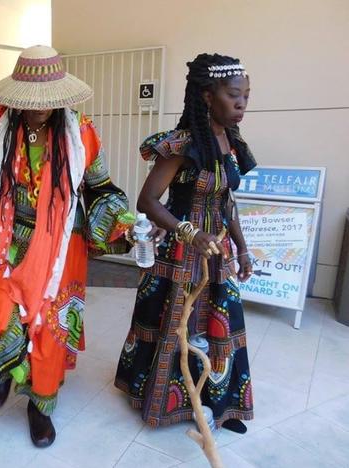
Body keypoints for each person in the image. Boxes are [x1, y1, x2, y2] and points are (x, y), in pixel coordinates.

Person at [0, 0, 163, 448]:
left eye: (48, 102)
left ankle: (41, 408)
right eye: (32, 101)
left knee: (47, 328)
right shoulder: (2, 118)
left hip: (60, 247)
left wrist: (127, 224)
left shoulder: (82, 133)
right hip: (6, 239)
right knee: (0, 315)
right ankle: (2, 370)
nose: (39, 109)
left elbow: (101, 189)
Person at [115, 53, 256, 434]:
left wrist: (241, 248)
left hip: (218, 253)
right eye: (233, 95)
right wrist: (190, 233)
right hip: (179, 255)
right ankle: (166, 403)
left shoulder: (232, 142)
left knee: (217, 328)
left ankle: (217, 403)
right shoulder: (181, 144)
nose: (241, 103)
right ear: (208, 96)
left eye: (246, 95)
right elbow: (146, 201)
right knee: (176, 325)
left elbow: (227, 201)